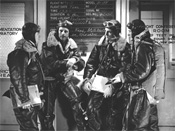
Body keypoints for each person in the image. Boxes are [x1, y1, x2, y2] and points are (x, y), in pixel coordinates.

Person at [111, 19, 166, 131]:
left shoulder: (142, 46)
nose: (130, 33)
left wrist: (122, 77)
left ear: (136, 31)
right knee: (152, 125)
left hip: (142, 91)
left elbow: (142, 71)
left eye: (131, 31)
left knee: (138, 125)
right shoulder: (152, 44)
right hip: (152, 91)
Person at [82, 19, 131, 131]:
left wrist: (112, 85)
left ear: (116, 32)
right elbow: (91, 63)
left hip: (117, 87)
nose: (106, 35)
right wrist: (87, 80)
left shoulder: (125, 48)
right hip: (100, 83)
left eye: (108, 32)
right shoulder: (100, 45)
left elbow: (125, 70)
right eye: (105, 31)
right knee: (92, 111)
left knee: (113, 118)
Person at [40, 20, 87, 131]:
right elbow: (50, 65)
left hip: (64, 79)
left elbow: (81, 63)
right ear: (57, 31)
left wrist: (75, 61)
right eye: (61, 31)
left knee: (77, 101)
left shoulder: (71, 45)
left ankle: (81, 128)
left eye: (66, 31)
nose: (63, 34)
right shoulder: (48, 45)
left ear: (69, 33)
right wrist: (67, 62)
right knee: (47, 112)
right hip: (50, 80)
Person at [7, 22, 45, 131]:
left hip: (30, 97)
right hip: (25, 99)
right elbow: (17, 77)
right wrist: (25, 99)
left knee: (29, 127)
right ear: (33, 35)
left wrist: (38, 97)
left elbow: (33, 76)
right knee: (29, 128)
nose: (39, 37)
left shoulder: (30, 51)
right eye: (38, 34)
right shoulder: (21, 52)